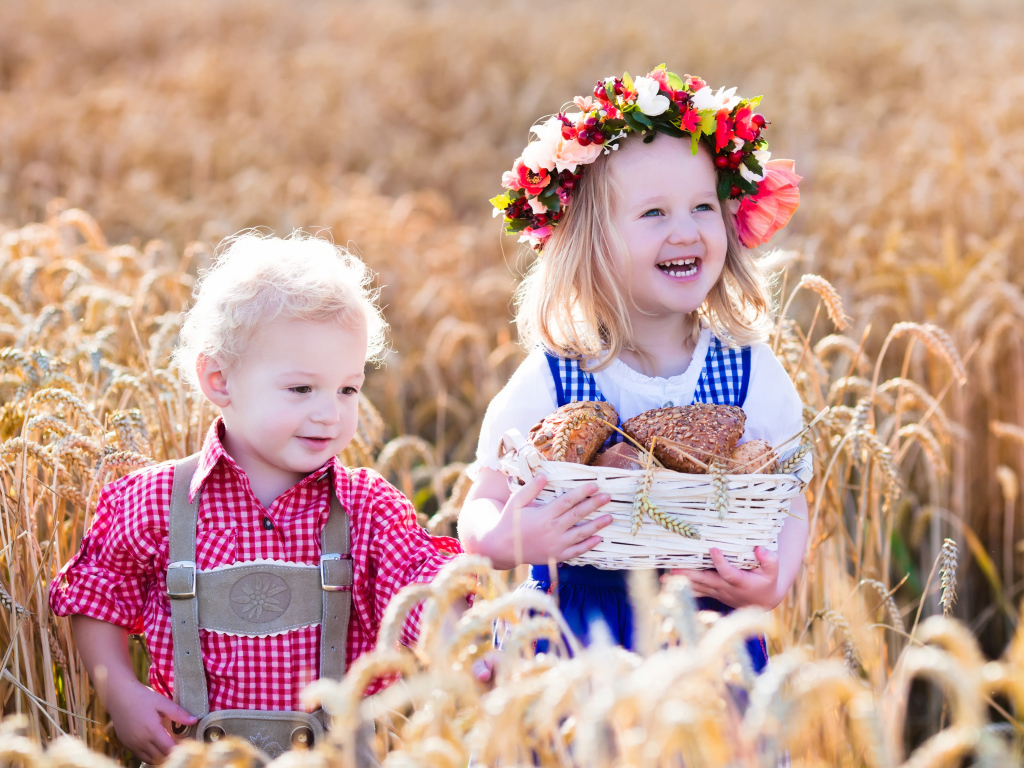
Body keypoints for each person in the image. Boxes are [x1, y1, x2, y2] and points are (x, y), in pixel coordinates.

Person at [50, 233, 463, 765]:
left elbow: (422, 587)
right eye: (301, 389)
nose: (330, 413)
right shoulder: (156, 501)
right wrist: (121, 693)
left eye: (348, 389)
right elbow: (95, 595)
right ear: (219, 380)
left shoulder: (366, 508)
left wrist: (463, 647)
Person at [459, 66, 811, 664]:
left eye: (703, 207)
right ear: (591, 241)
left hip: (707, 629)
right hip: (575, 630)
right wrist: (502, 540)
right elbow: (484, 497)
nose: (686, 231)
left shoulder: (747, 368)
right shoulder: (559, 376)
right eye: (654, 214)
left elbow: (788, 493)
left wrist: (774, 579)